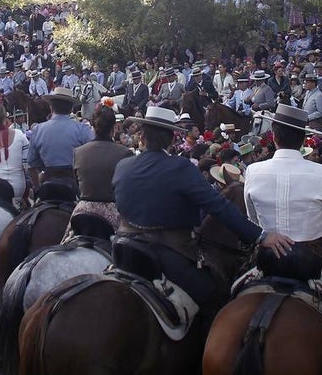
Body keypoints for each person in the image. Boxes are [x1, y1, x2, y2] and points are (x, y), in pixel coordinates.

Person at [113, 106, 292, 336]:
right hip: (167, 253)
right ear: (170, 138)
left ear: (143, 136)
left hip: (122, 248)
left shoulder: (123, 165)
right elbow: (218, 207)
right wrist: (261, 236)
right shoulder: (180, 167)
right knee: (215, 298)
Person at [244, 106, 322, 262]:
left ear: (274, 137)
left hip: (268, 257)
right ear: (303, 139)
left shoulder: (252, 171)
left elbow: (253, 220)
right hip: (311, 259)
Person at [67, 104, 133, 235]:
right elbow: (128, 190)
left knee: (64, 244)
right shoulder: (125, 153)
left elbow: (76, 185)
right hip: (114, 212)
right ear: (114, 127)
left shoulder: (78, 152)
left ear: (93, 127)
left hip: (83, 210)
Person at [28, 87, 93, 191]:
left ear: (51, 108)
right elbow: (91, 156)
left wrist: (38, 186)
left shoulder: (37, 130)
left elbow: (32, 164)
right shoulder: (82, 129)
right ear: (71, 109)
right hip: (74, 183)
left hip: (48, 181)